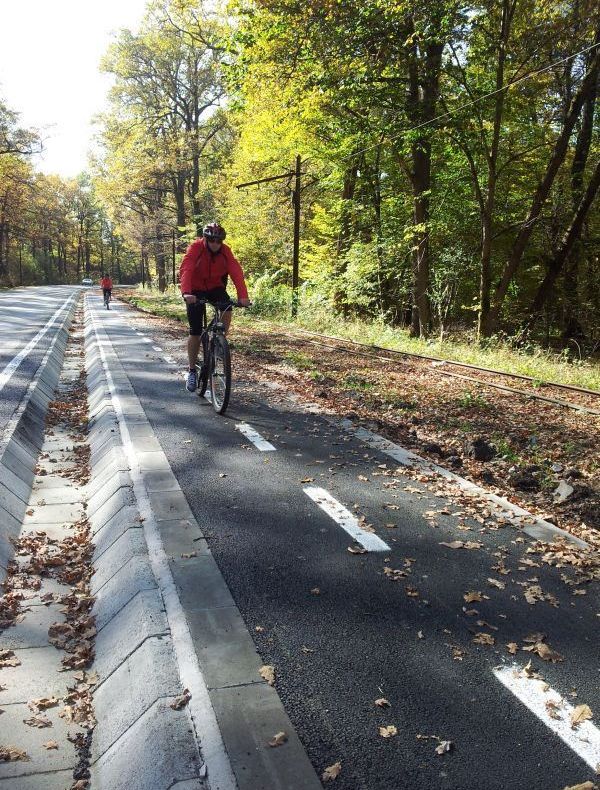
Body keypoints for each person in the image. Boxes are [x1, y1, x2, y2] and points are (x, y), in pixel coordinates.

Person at [179, 222, 251, 392]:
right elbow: (186, 269)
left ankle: (219, 341)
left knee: (227, 307)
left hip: (215, 287)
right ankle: (191, 371)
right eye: (211, 240)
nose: (215, 244)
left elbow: (236, 272)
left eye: (218, 241)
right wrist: (186, 293)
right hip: (195, 289)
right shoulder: (195, 248)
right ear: (205, 238)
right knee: (195, 331)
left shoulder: (225, 251)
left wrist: (243, 297)